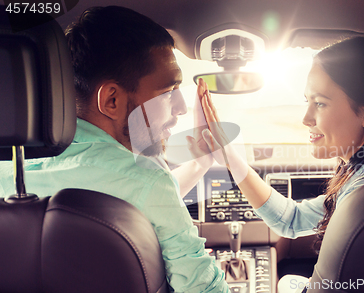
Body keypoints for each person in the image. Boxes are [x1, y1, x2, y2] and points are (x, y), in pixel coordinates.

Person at [0, 6, 228, 293]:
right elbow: (202, 289)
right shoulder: (148, 180)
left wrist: (198, 165)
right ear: (111, 100)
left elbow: (127, 201)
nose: (181, 108)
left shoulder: (7, 176)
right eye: (169, 92)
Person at [198, 37, 364, 292]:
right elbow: (292, 220)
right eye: (307, 101)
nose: (306, 118)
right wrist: (230, 157)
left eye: (320, 103)